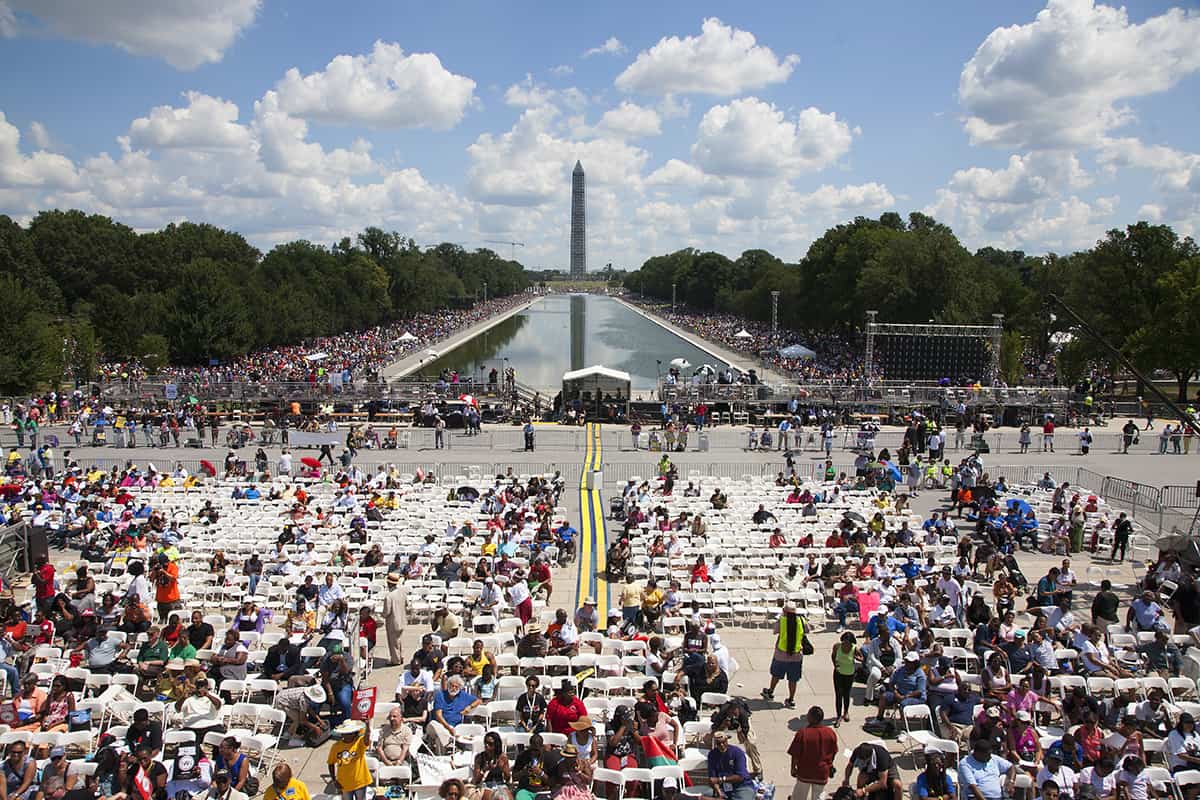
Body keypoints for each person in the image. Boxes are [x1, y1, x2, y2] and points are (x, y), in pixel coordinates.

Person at [788, 706, 839, 800]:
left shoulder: (803, 733)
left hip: (805, 772)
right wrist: (830, 765)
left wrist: (793, 768)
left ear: (810, 718)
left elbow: (795, 754)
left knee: (799, 796)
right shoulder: (830, 733)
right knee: (818, 797)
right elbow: (833, 752)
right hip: (822, 773)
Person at [761, 603, 805, 708]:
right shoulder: (801, 621)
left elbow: (775, 631)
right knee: (793, 680)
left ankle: (770, 692)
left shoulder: (782, 621)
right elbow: (807, 631)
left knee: (776, 675)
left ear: (784, 611)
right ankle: (791, 699)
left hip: (781, 655)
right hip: (796, 656)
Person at [327, 720, 372, 800]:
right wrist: (334, 780)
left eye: (351, 733)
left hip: (360, 782)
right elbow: (331, 763)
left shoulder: (359, 743)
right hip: (344, 783)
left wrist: (368, 726)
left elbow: (367, 739)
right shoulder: (336, 747)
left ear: (355, 733)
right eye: (346, 733)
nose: (348, 735)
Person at [706, 731, 754, 800]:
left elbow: (740, 776)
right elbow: (712, 778)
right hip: (723, 788)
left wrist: (721, 779)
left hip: (741, 787)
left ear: (727, 740)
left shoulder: (737, 752)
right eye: (719, 744)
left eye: (724, 742)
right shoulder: (712, 755)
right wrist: (718, 791)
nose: (722, 745)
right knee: (705, 796)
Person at [382, 573, 407, 667]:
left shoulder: (389, 596)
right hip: (402, 620)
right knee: (399, 640)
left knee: (393, 642)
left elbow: (386, 612)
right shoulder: (402, 593)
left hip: (393, 622)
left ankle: (395, 660)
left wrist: (382, 615)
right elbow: (406, 604)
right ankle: (401, 656)